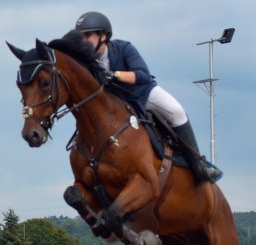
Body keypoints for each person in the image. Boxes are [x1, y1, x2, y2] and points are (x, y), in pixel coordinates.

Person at [74, 11, 222, 184]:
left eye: (87, 35)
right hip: (117, 106)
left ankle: (198, 164)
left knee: (176, 111)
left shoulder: (123, 48)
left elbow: (143, 75)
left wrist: (115, 75)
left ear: (103, 36)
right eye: (80, 36)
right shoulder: (85, 62)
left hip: (143, 94)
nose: (82, 40)